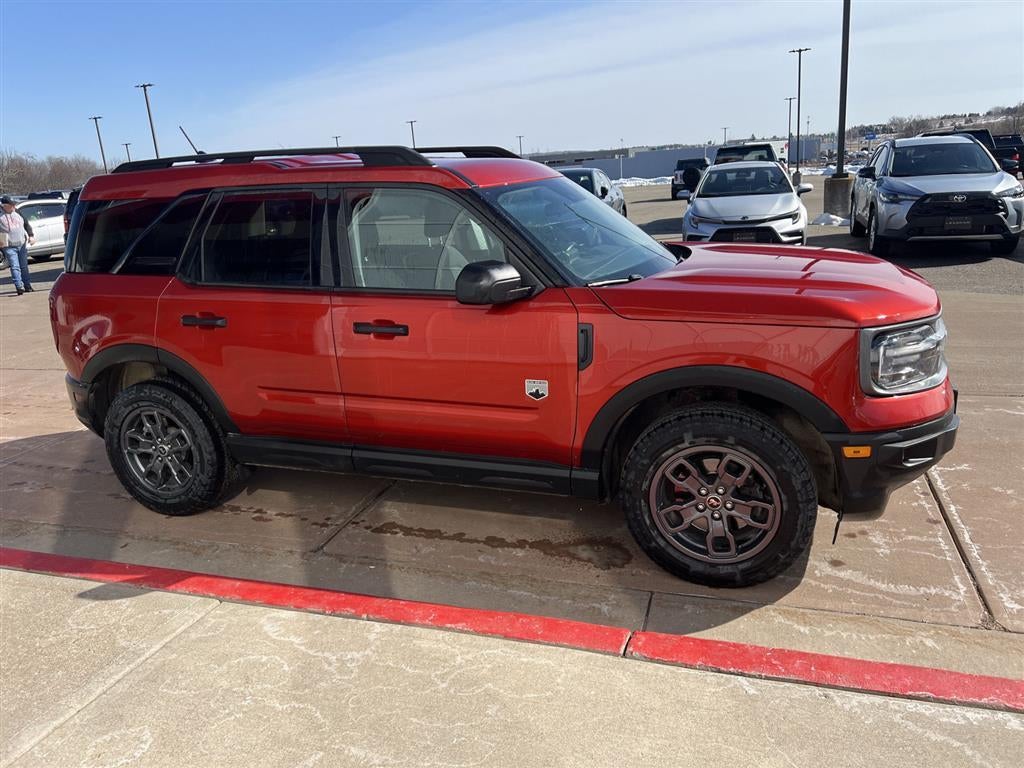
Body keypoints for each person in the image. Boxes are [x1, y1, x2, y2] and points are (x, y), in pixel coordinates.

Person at [1, 195, 36, 295]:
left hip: (21, 244)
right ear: (5, 206)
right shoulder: (0, 215)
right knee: (15, 266)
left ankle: (27, 285)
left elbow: (26, 224)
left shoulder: (17, 212)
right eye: (12, 205)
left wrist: (31, 235)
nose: (14, 207)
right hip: (9, 246)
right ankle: (19, 286)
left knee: (24, 266)